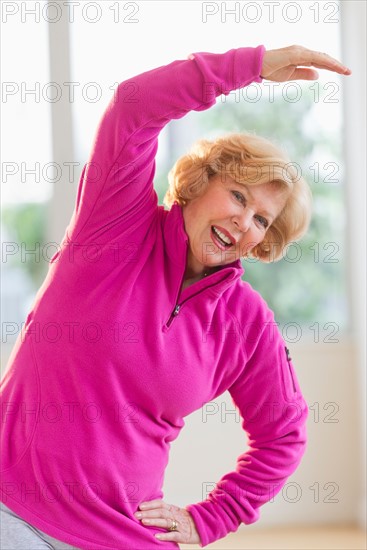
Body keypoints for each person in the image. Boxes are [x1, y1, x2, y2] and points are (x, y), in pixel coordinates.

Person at [0, 45, 351, 549]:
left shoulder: (245, 321)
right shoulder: (116, 224)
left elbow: (284, 434)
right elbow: (133, 105)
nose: (243, 221)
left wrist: (212, 517)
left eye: (261, 220)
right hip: (14, 510)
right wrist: (250, 67)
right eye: (238, 196)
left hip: (126, 535)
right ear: (201, 182)